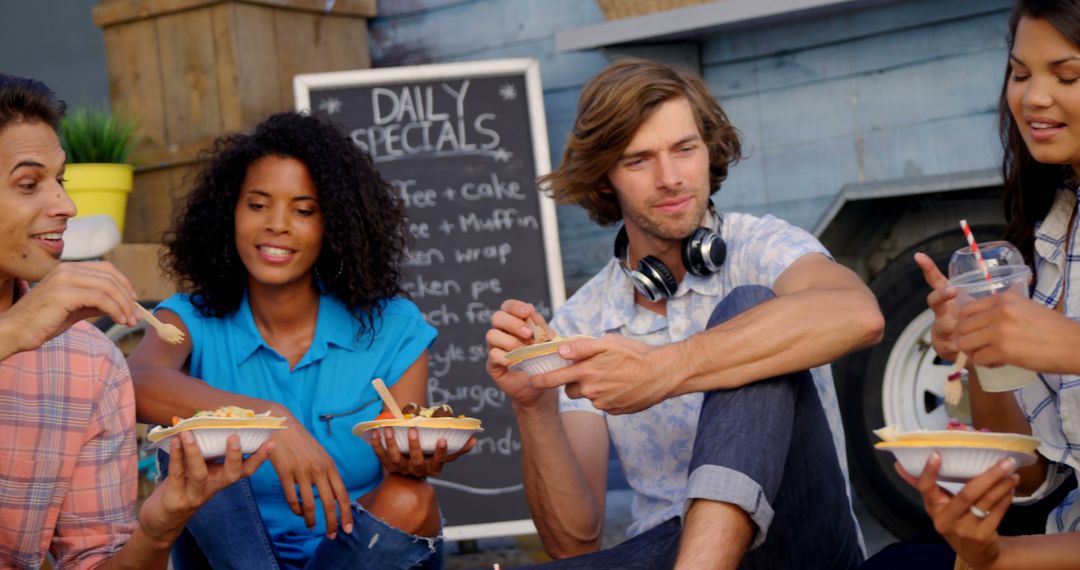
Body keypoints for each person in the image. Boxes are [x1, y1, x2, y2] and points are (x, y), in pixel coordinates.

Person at [484, 58, 885, 569]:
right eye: (639, 160)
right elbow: (574, 540)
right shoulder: (583, 319)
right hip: (665, 551)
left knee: (751, 308)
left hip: (801, 545)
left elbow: (858, 314)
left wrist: (663, 368)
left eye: (685, 149)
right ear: (605, 179)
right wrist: (533, 408)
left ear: (708, 151)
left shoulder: (760, 247)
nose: (670, 178)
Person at [128, 111, 472, 569]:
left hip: (355, 559)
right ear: (228, 212)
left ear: (334, 225)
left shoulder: (391, 326)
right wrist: (272, 419)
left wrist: (416, 458)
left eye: (303, 210)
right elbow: (133, 382)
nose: (277, 224)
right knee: (191, 453)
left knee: (412, 498)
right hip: (235, 559)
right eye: (257, 204)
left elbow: (401, 475)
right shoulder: (190, 318)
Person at [0, 73, 271, 569]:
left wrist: (160, 524)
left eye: (60, 181)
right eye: (28, 183)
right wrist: (12, 332)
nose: (66, 206)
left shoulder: (88, 362)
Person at [909, 1, 1080, 567]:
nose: (1033, 98)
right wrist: (982, 349)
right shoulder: (1056, 226)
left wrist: (1067, 344)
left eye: (1068, 75)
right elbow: (1032, 472)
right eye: (1020, 73)